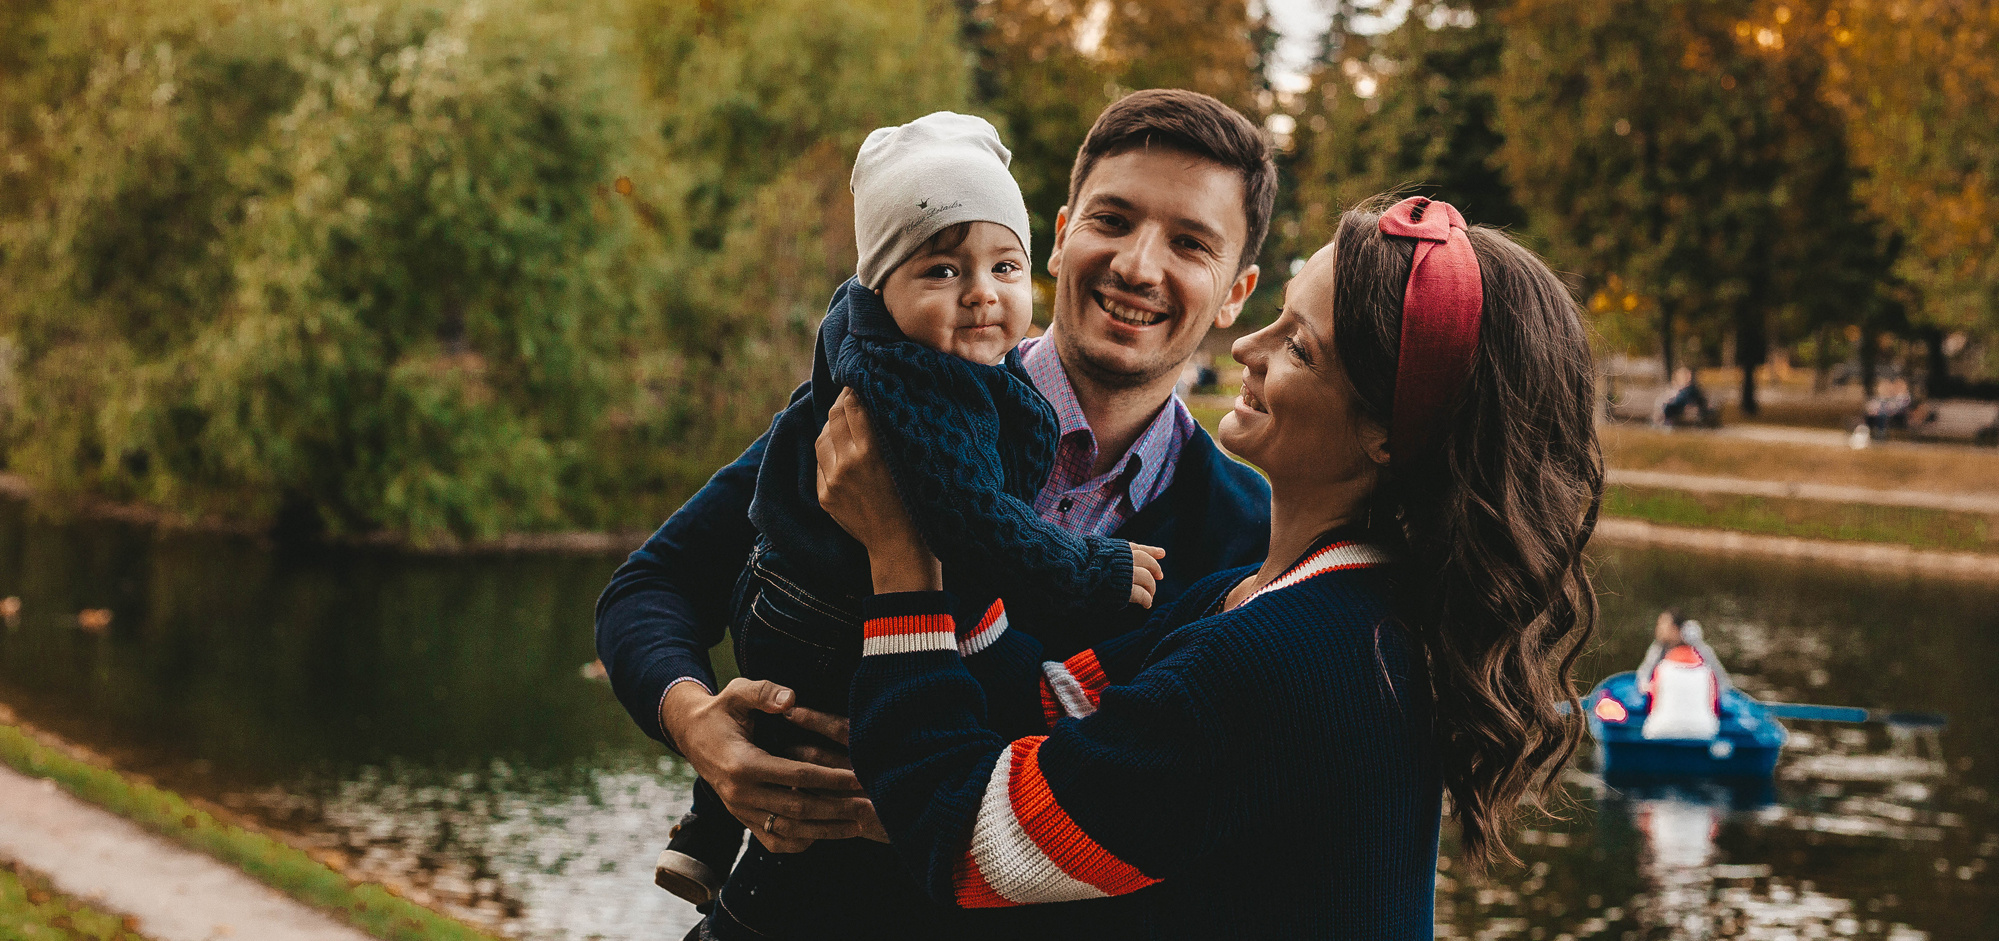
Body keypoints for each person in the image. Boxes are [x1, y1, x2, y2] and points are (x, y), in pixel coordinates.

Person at [819, 196, 1603, 938]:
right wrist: (952, 510)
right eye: (1278, 317)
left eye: (1298, 346)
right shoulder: (1288, 599)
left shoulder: (1282, 659)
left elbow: (961, 839)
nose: (1247, 349)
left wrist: (901, 560)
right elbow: (1047, 701)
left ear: (1388, 435)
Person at [595, 90, 1276, 939]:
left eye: (1189, 242)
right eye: (1113, 219)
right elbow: (652, 585)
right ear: (1059, 236)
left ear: (1235, 293)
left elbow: (1164, 804)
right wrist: (697, 725)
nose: (1138, 265)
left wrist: (902, 568)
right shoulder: (882, 404)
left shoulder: (1246, 541)